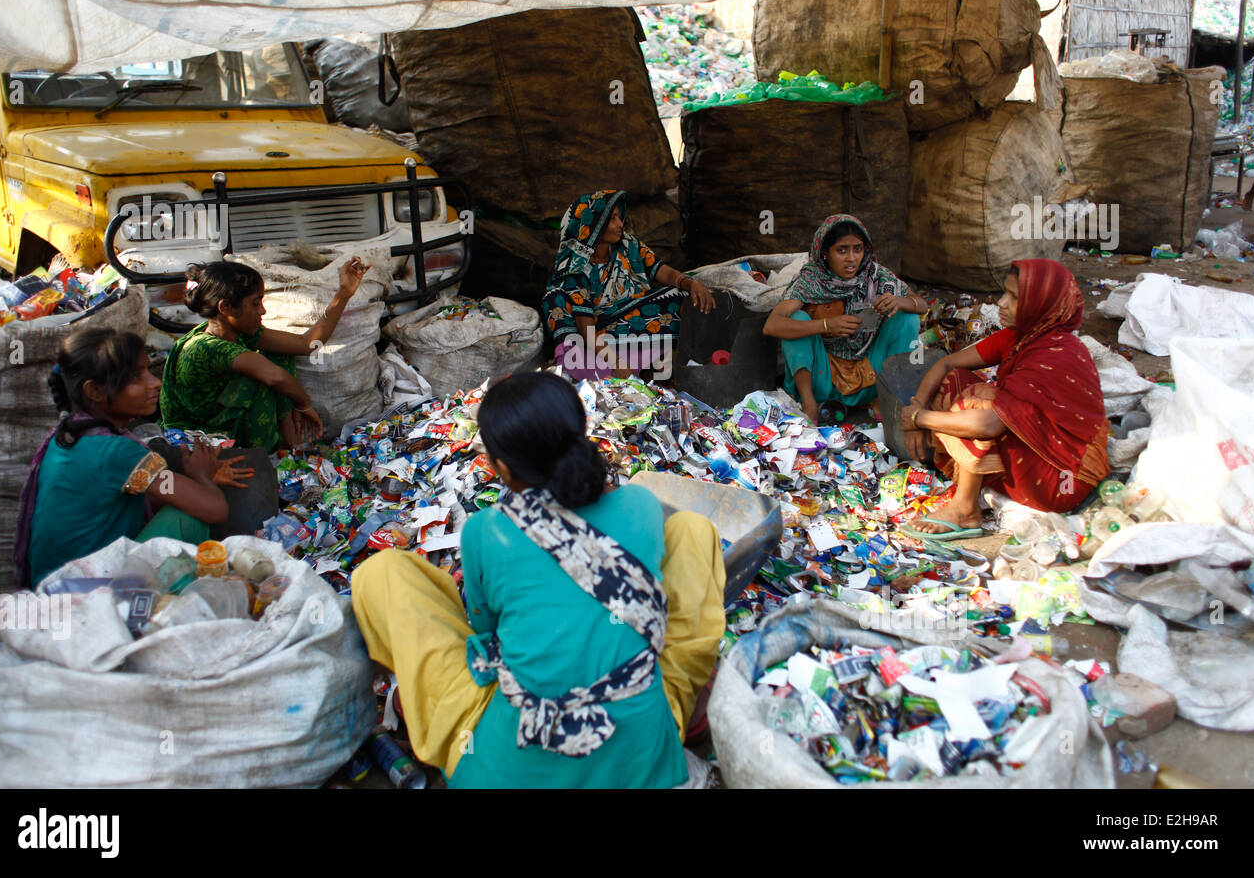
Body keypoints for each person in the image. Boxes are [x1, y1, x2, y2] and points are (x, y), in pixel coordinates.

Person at [350, 372, 726, 788]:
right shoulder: (639, 503)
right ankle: (686, 705)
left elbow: (485, 633)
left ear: (501, 468)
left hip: (507, 772)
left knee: (383, 573)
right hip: (641, 759)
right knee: (692, 529)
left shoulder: (486, 531)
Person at [14, 327, 244, 587]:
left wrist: (192, 481)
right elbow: (214, 510)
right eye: (136, 377)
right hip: (85, 592)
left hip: (53, 585)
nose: (154, 382)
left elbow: (146, 491)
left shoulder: (67, 436)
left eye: (148, 370)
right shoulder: (116, 451)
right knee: (188, 518)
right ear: (95, 391)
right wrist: (202, 476)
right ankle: (163, 605)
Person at [898, 259, 1109, 539]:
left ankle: (965, 509)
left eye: (1014, 297)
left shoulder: (1057, 355)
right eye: (1005, 292)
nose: (1001, 303)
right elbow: (946, 365)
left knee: (980, 401)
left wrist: (917, 418)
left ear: (1042, 304)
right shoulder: (1023, 337)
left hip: (1061, 479)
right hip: (1035, 453)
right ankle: (969, 486)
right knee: (957, 382)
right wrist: (917, 407)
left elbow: (988, 425)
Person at [159, 257, 368, 452]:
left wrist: (344, 294)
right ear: (226, 308)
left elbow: (306, 344)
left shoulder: (236, 334)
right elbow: (276, 377)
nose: (262, 311)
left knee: (280, 355)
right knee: (263, 379)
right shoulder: (206, 347)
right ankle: (271, 456)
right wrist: (303, 404)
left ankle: (290, 450)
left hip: (228, 423)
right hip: (202, 438)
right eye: (255, 303)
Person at [763, 214, 927, 424]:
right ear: (825, 253)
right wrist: (825, 325)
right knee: (796, 319)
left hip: (871, 375)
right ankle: (809, 404)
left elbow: (921, 305)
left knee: (908, 319)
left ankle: (888, 399)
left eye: (857, 249)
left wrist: (899, 302)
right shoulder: (812, 280)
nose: (851, 258)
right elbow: (772, 325)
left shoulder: (877, 276)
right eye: (842, 250)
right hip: (822, 379)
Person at [542, 189, 715, 378]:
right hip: (596, 329)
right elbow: (586, 327)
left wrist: (691, 284)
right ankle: (590, 363)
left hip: (629, 318)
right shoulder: (577, 267)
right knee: (555, 298)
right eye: (613, 219)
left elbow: (662, 271)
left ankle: (673, 358)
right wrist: (616, 362)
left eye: (619, 217)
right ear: (594, 225)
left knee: (682, 297)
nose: (620, 224)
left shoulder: (628, 245)